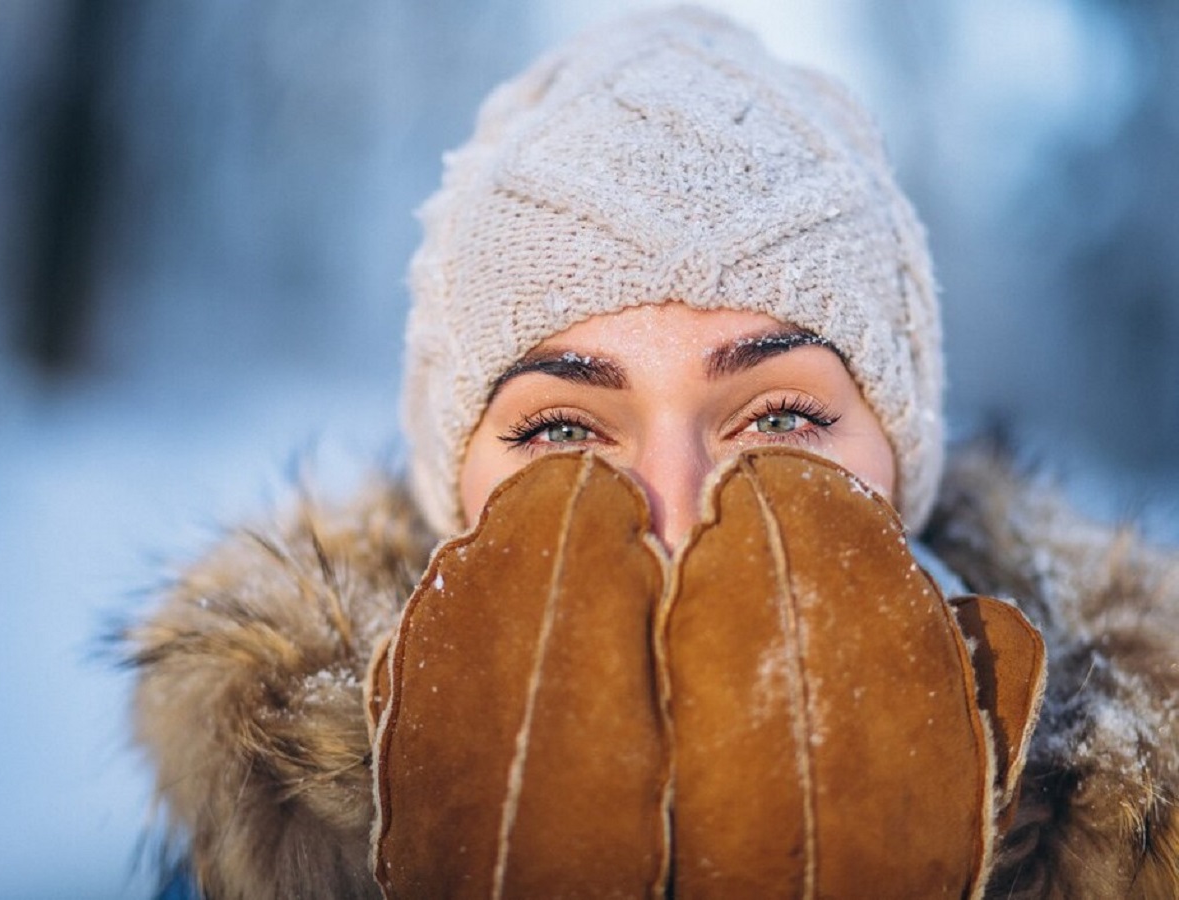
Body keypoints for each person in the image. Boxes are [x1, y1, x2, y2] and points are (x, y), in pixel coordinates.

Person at [120, 6, 1179, 898]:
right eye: (564, 432)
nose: (675, 516)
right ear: (453, 486)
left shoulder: (1133, 842)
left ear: (905, 466)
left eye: (780, 420)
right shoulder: (273, 848)